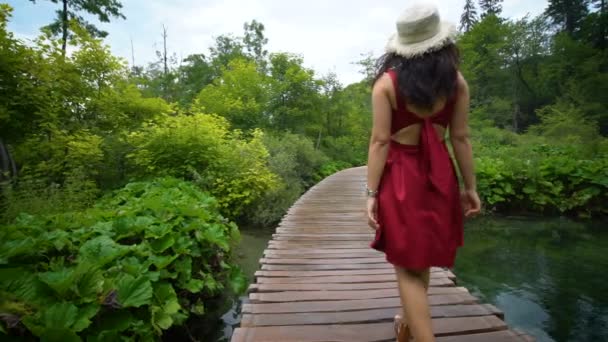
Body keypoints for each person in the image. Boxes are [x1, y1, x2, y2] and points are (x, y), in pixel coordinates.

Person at [365, 3, 481, 341]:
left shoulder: (386, 85)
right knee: (423, 257)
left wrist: (370, 195)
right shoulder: (456, 84)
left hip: (402, 176)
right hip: (441, 174)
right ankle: (405, 325)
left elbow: (379, 142)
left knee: (407, 265)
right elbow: (460, 138)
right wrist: (470, 187)